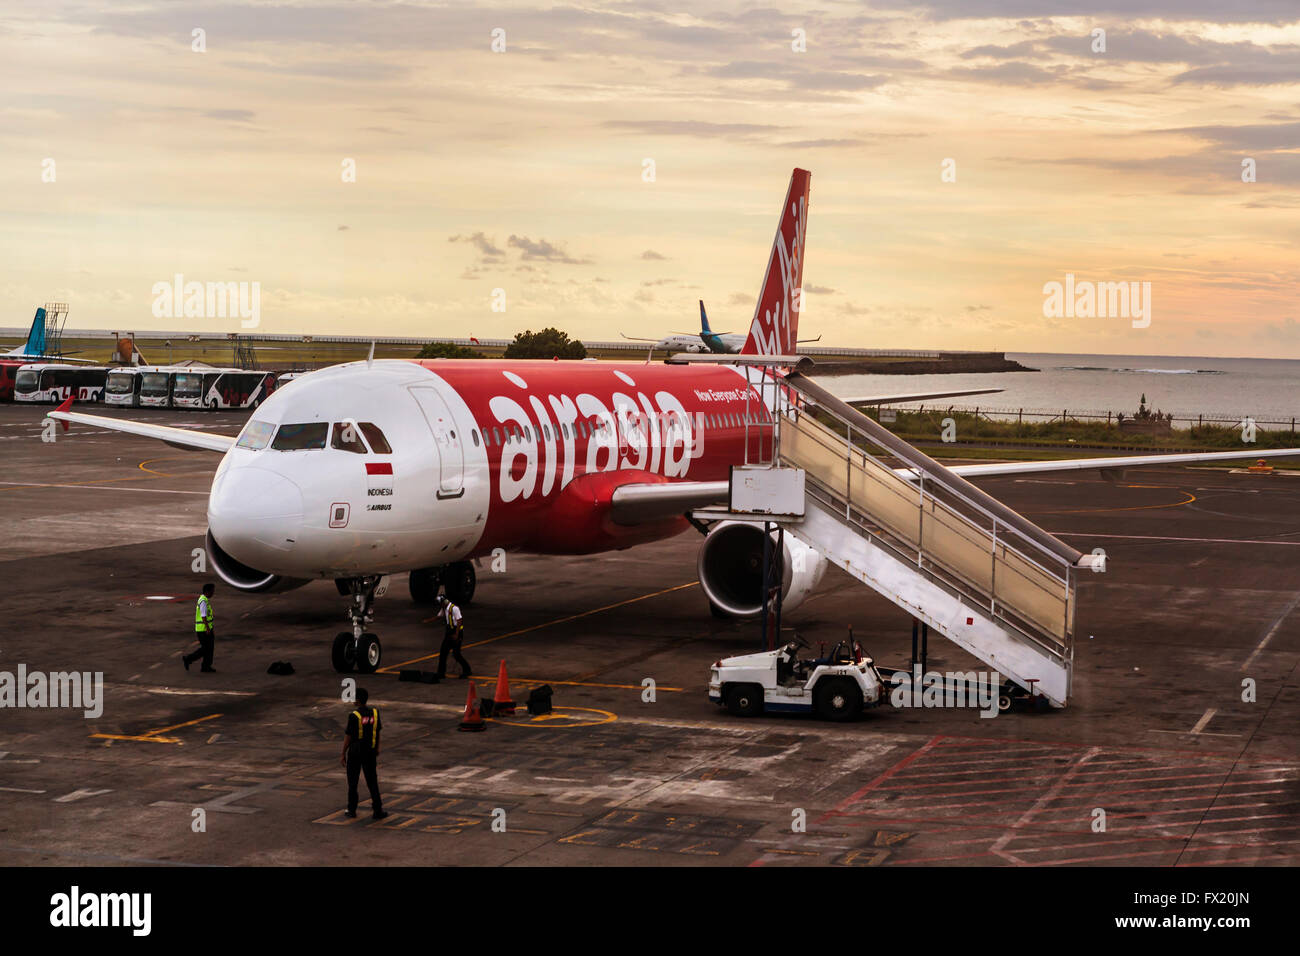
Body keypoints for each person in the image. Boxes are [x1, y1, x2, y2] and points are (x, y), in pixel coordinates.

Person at [340, 687, 387, 820]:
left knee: (353, 781)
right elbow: (377, 732)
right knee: (372, 781)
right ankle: (378, 810)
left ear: (358, 700)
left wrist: (343, 753)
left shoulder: (354, 716)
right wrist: (377, 747)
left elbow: (348, 737)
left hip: (355, 753)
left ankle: (352, 809)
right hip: (370, 752)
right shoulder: (375, 713)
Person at [434, 594, 471, 680]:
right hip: (449, 633)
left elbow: (459, 621)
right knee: (443, 652)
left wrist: (457, 634)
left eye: (441, 603)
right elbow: (439, 616)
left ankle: (467, 670)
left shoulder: (454, 608)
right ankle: (441, 673)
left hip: (456, 632)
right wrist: (428, 620)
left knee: (456, 654)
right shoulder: (444, 608)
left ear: (445, 602)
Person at [184, 583, 217, 672]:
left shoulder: (205, 600)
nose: (213, 593)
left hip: (206, 628)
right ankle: (188, 659)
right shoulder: (203, 601)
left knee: (209, 648)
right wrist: (207, 628)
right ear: (208, 591)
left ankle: (206, 666)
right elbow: (203, 616)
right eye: (212, 591)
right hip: (203, 630)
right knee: (206, 649)